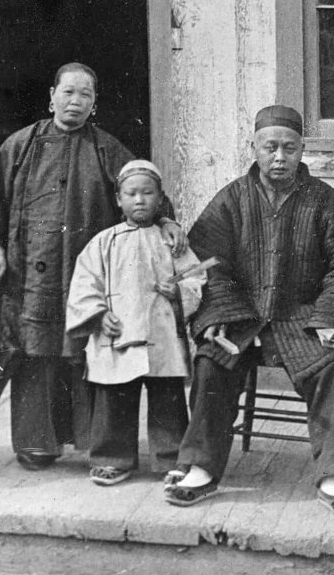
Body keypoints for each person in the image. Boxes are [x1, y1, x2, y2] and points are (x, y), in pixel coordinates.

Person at [0, 62, 185, 471]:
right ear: (52, 96)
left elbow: (142, 194)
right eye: (68, 92)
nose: (75, 101)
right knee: (33, 351)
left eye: (85, 95)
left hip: (89, 271)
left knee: (84, 352)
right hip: (28, 274)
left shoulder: (106, 148)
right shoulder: (20, 145)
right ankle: (35, 445)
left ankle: (90, 442)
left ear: (94, 104)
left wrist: (165, 220)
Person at [165, 105, 334, 517]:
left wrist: (327, 319)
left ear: (302, 149)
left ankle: (332, 475)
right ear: (253, 147)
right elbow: (208, 262)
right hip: (241, 318)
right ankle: (201, 468)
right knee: (211, 362)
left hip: (301, 319)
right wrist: (225, 315)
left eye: (289, 148)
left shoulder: (324, 200)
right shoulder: (232, 198)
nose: (279, 157)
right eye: (270, 147)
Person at [66, 160, 205, 486]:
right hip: (116, 334)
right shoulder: (104, 242)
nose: (140, 200)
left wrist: (178, 292)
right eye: (131, 193)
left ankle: (171, 457)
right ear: (119, 199)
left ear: (160, 199)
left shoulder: (171, 241)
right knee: (114, 398)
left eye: (148, 193)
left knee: (166, 398)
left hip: (160, 333)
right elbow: (85, 283)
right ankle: (112, 458)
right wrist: (99, 315)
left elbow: (196, 277)